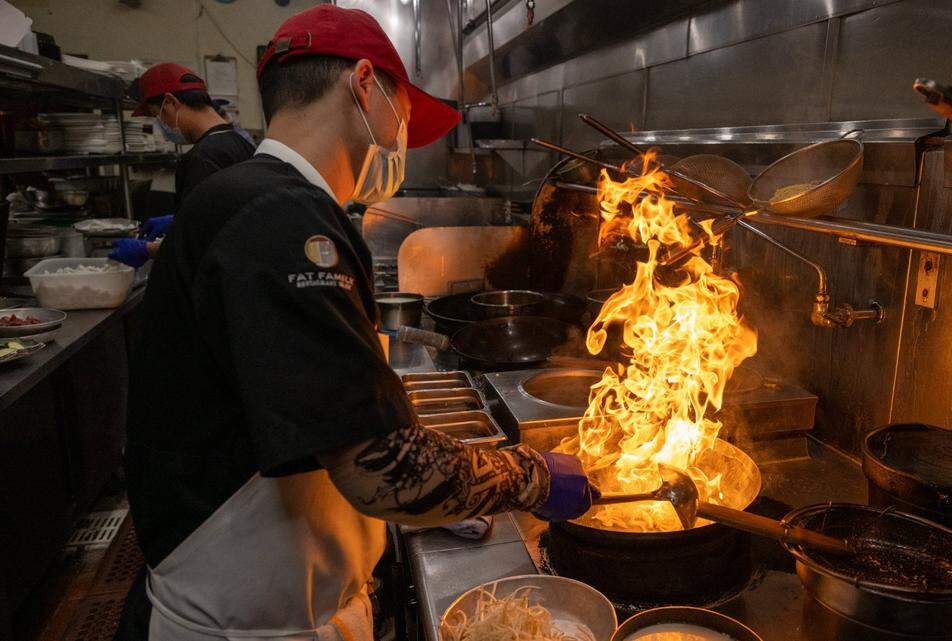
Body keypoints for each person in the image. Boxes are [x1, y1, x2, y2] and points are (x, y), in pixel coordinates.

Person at [115, 6, 595, 641]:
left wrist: (429, 502)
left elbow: (314, 425)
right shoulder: (284, 217)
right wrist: (527, 476)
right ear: (364, 85)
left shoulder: (252, 199)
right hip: (247, 624)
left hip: (273, 594)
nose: (399, 144)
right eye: (404, 120)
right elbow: (378, 464)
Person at [110, 63, 255, 267]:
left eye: (156, 115)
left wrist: (147, 250)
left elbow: (199, 243)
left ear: (170, 102)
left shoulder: (203, 157)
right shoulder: (240, 142)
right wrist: (181, 219)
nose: (161, 125)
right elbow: (228, 215)